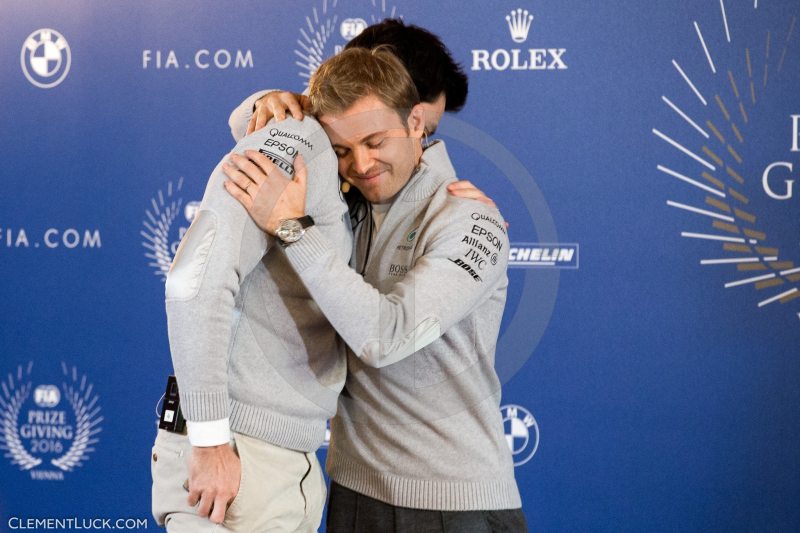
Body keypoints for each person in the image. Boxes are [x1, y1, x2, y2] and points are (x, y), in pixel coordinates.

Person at [224, 47, 527, 532]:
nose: (360, 164)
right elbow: (244, 123)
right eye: (341, 149)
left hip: (456, 505)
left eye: (375, 141)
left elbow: (385, 337)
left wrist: (292, 229)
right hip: (353, 494)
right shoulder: (348, 202)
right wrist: (277, 101)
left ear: (417, 124)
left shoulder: (472, 218)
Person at [151, 115, 350, 532]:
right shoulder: (298, 139)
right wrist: (209, 443)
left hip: (289, 467)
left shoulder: (336, 164)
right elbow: (193, 282)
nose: (421, 136)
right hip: (233, 461)